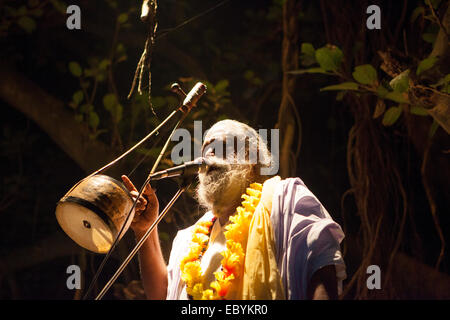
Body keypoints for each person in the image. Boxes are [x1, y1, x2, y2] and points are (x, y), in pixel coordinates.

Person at [121, 119, 346, 300]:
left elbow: (321, 265)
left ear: (250, 158)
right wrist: (145, 230)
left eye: (218, 147)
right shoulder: (188, 239)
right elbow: (162, 295)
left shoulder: (283, 198)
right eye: (205, 150)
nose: (207, 157)